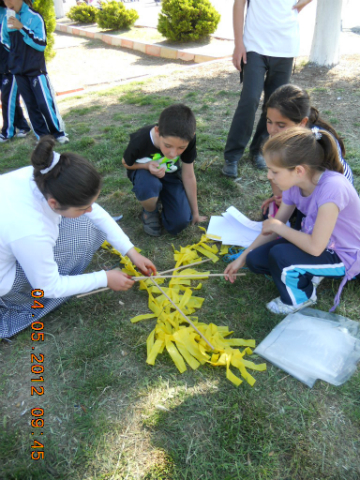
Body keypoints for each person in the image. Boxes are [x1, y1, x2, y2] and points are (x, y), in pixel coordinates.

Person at [0, 136, 156, 338]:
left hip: (14, 243)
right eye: (83, 207)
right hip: (7, 282)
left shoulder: (44, 176)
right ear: (54, 204)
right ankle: (17, 300)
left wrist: (131, 252)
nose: (91, 209)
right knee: (82, 236)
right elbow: (48, 286)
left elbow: (95, 213)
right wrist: (104, 278)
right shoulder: (31, 229)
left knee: (87, 223)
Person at [224, 127, 360, 315]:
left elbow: (314, 247)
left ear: (298, 170)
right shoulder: (294, 184)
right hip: (318, 243)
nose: (269, 176)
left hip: (344, 255)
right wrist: (243, 257)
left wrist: (279, 227)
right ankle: (310, 272)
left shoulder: (333, 188)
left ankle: (301, 298)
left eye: (274, 171)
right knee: (255, 260)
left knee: (282, 257)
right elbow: (271, 229)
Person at [222, 0, 313, 178]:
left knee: (275, 105)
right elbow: (239, 4)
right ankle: (232, 156)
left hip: (285, 47)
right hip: (254, 45)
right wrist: (238, 43)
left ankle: (260, 149)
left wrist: (298, 6)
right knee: (250, 99)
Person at [261, 84, 354, 219]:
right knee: (268, 214)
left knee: (301, 228)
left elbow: (324, 188)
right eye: (269, 121)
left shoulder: (314, 144)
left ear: (302, 122)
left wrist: (289, 200)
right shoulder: (277, 136)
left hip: (324, 195)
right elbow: (274, 172)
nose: (272, 130)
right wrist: (278, 198)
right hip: (301, 186)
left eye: (281, 125)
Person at [122, 104, 206, 236]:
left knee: (180, 222)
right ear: (157, 131)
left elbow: (189, 175)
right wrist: (146, 165)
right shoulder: (140, 138)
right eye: (168, 145)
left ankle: (161, 197)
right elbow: (126, 163)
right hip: (144, 173)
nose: (173, 154)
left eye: (181, 148)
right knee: (149, 186)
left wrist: (195, 213)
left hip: (170, 174)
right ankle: (150, 211)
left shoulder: (189, 139)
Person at [1, 0, 69, 144]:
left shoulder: (34, 17)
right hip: (19, 72)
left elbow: (41, 44)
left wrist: (22, 28)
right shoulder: (8, 20)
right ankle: (42, 136)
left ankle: (58, 133)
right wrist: (15, 56)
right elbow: (5, 41)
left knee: (44, 103)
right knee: (30, 105)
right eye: (5, 0)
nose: (8, 3)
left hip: (36, 70)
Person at [0, 0, 30, 142]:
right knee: (10, 99)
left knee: (7, 99)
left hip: (10, 67)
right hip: (2, 65)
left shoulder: (8, 13)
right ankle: (23, 126)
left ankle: (7, 132)